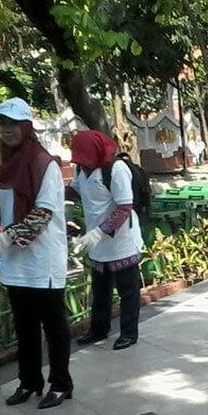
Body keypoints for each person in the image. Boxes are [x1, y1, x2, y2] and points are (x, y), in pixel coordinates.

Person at [0, 97, 73, 409]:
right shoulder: (7, 166)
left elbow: (43, 213)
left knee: (53, 326)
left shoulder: (44, 164)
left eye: (13, 124)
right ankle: (30, 381)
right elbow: (8, 214)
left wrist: (8, 236)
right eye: (3, 124)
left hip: (43, 260)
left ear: (26, 126)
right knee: (23, 325)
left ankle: (61, 383)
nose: (7, 130)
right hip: (15, 261)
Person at [69, 130, 144, 351]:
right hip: (97, 244)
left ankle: (129, 333)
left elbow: (124, 207)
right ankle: (98, 329)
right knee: (100, 291)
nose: (84, 164)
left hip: (121, 242)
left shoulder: (116, 169)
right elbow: (77, 192)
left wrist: (100, 231)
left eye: (86, 159)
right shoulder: (81, 169)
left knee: (128, 291)